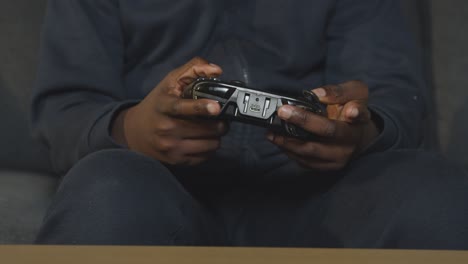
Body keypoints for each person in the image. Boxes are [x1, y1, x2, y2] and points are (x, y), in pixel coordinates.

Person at [32, 0, 468, 248]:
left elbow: (394, 100)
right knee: (105, 189)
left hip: (324, 198)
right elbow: (64, 110)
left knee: (435, 189)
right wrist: (133, 130)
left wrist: (362, 127)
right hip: (158, 192)